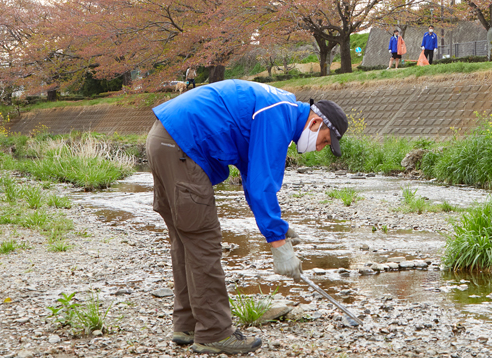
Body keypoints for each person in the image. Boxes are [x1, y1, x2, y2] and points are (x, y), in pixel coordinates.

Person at [146, 80, 348, 354]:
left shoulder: (278, 105)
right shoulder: (280, 114)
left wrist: (278, 227)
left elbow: (251, 176)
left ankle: (188, 325)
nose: (321, 148)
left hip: (164, 139)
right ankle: (214, 333)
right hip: (183, 147)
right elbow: (261, 184)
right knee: (204, 241)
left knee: (186, 240)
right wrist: (277, 243)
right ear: (315, 123)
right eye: (325, 141)